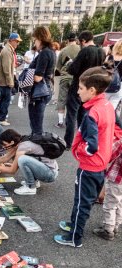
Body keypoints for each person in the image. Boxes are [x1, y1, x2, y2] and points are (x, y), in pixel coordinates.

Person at [54, 66, 115, 248]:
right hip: (101, 164)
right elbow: (117, 128)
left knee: (81, 201)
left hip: (89, 167)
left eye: (80, 88)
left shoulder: (92, 113)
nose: (78, 91)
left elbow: (91, 146)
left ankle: (75, 237)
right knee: (84, 199)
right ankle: (74, 225)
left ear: (92, 90)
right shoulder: (106, 105)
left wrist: (79, 150)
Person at [0, 129, 58, 195]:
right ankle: (34, 182)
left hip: (50, 174)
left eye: (4, 144)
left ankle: (30, 187)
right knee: (21, 159)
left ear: (11, 142)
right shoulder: (20, 141)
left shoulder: (23, 146)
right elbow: (4, 158)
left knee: (22, 159)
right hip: (47, 169)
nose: (3, 147)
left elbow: (12, 170)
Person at [64, 31, 105, 149]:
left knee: (71, 115)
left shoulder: (85, 51)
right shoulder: (101, 52)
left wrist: (70, 64)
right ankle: (82, 139)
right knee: (84, 115)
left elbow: (73, 69)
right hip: (92, 89)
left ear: (83, 41)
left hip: (79, 87)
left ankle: (68, 142)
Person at [93, 135, 122, 240]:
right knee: (119, 203)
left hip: (117, 178)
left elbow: (109, 154)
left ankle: (108, 230)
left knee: (110, 204)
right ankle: (115, 226)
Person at [28, 26, 56, 135]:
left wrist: (27, 74)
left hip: (39, 92)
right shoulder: (51, 52)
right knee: (37, 121)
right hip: (45, 89)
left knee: (36, 123)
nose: (34, 42)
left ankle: (37, 145)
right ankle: (36, 143)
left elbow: (38, 77)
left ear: (40, 38)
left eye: (34, 39)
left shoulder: (44, 53)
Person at [54, 33, 80, 128]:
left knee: (62, 99)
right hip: (77, 79)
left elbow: (58, 67)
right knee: (76, 100)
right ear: (76, 40)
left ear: (68, 40)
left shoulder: (63, 50)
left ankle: (61, 122)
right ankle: (75, 121)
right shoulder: (80, 49)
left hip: (65, 78)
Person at [0, 32, 22, 126]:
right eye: (17, 41)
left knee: (3, 99)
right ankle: (2, 118)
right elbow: (7, 68)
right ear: (11, 41)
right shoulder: (7, 51)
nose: (18, 43)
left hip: (3, 80)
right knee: (5, 100)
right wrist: (10, 81)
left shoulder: (7, 50)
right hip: (5, 81)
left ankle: (0, 117)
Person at [104, 39, 122, 110]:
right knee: (111, 108)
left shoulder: (109, 57)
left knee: (102, 105)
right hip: (120, 86)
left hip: (107, 83)